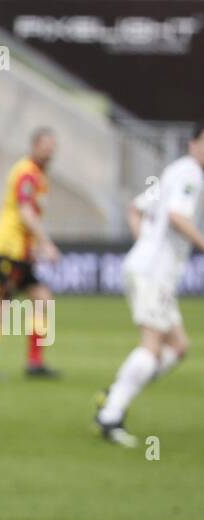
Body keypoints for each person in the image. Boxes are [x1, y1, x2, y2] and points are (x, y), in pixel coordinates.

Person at [95, 122, 204, 446]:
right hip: (153, 273)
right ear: (193, 144)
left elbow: (135, 208)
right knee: (152, 347)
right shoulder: (190, 177)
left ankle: (115, 394)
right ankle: (110, 415)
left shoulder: (174, 171)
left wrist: (145, 243)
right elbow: (176, 216)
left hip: (149, 269)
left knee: (178, 347)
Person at [0, 128, 60, 379]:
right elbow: (25, 212)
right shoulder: (28, 174)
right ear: (34, 145)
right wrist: (46, 244)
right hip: (8, 248)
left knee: (42, 298)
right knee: (1, 303)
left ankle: (34, 362)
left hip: (20, 250)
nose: (50, 151)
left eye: (53, 146)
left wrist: (32, 247)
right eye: (45, 145)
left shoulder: (37, 175)